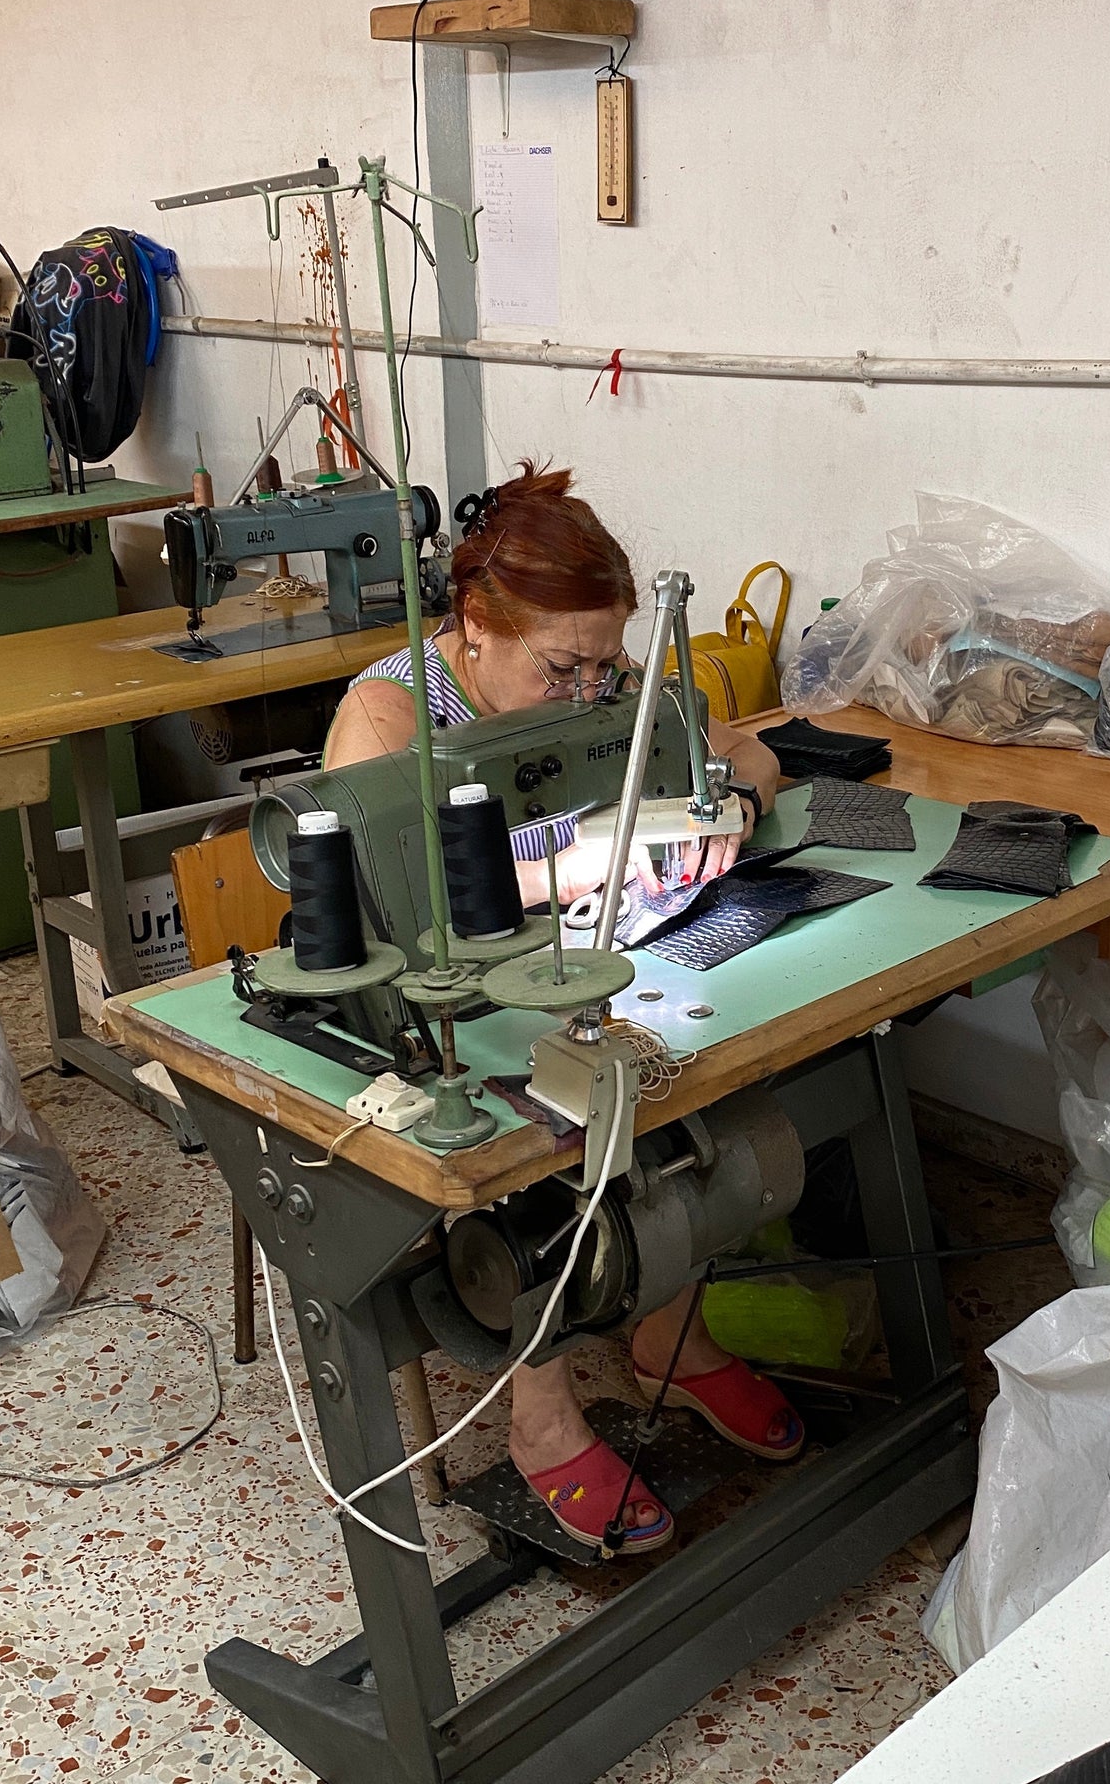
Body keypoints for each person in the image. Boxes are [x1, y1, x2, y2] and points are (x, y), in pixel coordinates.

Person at [324, 460, 798, 1552]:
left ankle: (668, 1334)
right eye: (565, 665)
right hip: (432, 1007)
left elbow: (746, 751)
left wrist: (727, 800)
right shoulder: (391, 719)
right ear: (474, 628)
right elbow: (388, 901)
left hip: (591, 970)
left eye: (609, 660)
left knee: (701, 1084)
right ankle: (539, 1420)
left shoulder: (603, 687)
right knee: (526, 1146)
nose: (594, 687)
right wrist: (582, 859)